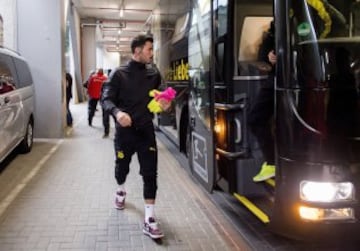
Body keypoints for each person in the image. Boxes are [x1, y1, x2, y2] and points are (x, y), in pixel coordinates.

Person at [101, 34, 171, 239]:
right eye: (149, 49)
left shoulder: (154, 73)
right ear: (137, 51)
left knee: (150, 173)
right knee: (122, 168)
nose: (152, 53)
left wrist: (165, 104)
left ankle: (149, 218)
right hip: (124, 134)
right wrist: (118, 113)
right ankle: (121, 190)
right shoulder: (118, 74)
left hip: (146, 131)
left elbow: (159, 97)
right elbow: (106, 100)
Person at [248, 21, 276, 182]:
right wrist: (269, 58)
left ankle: (272, 163)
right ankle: (272, 162)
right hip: (276, 81)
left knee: (255, 119)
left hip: (279, 82)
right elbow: (261, 59)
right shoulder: (272, 32)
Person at [87, 68, 109, 137]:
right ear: (102, 72)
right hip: (102, 96)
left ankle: (90, 121)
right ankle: (106, 130)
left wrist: (89, 93)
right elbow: (108, 88)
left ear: (97, 72)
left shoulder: (93, 77)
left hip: (93, 96)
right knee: (105, 113)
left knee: (91, 109)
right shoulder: (105, 78)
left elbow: (89, 86)